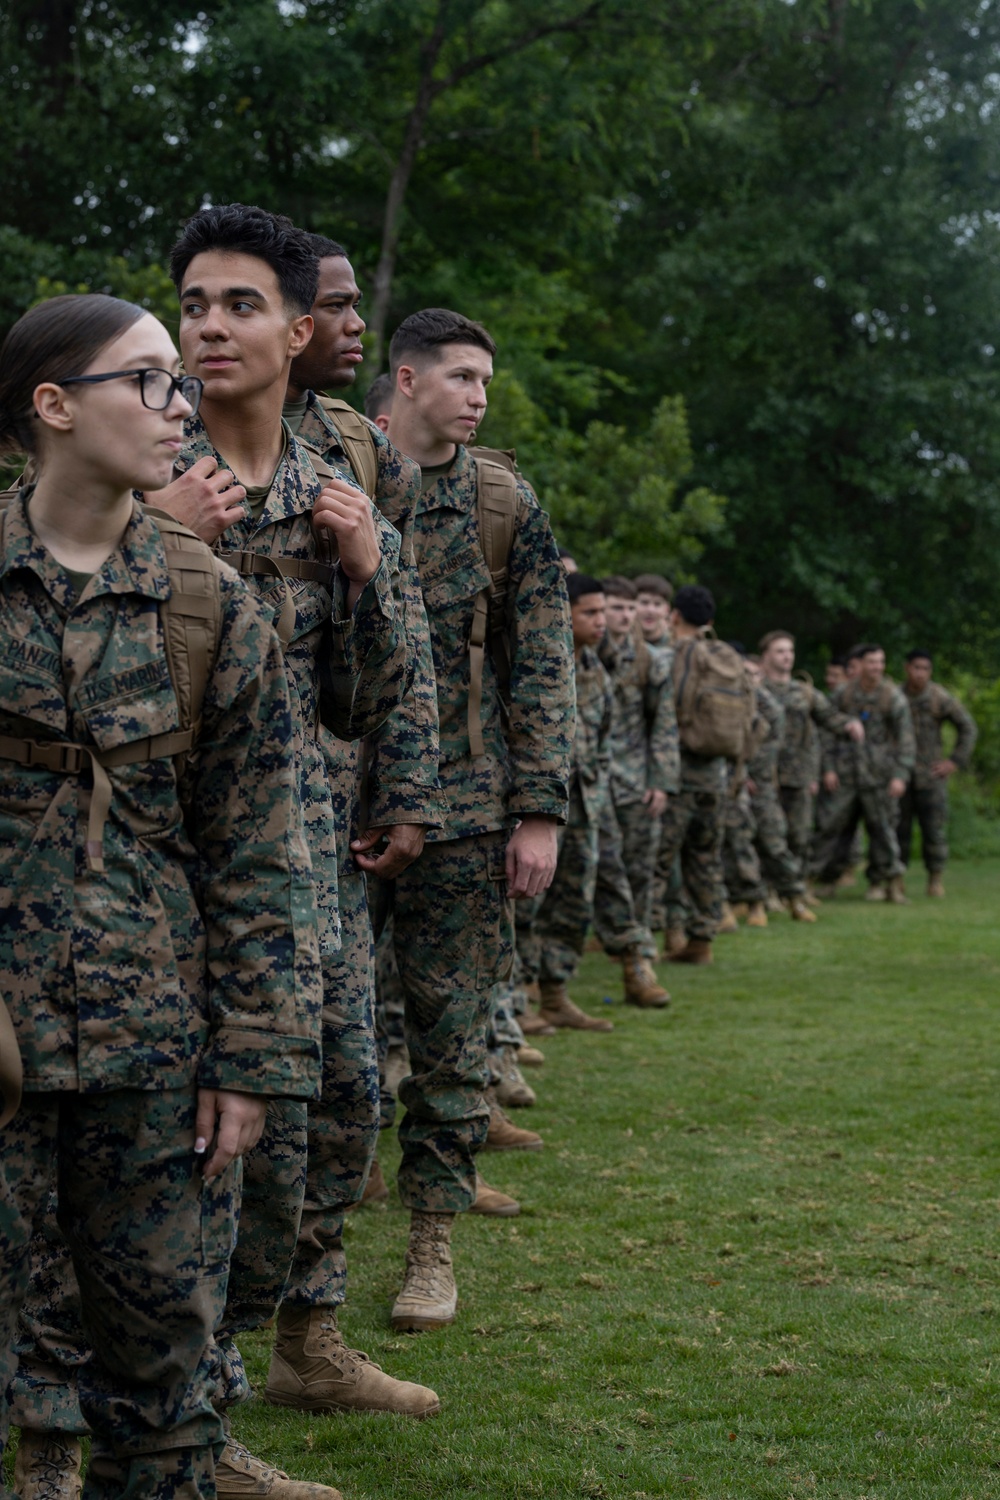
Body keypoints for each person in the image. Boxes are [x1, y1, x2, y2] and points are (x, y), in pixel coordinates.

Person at [0, 292, 323, 1500]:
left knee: (163, 1390)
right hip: (2, 1050)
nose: (178, 402)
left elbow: (259, 849)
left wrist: (251, 1057)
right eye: (146, 381)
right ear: (54, 407)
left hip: (159, 1063)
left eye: (174, 382)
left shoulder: (208, 604)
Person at [260, 233, 442, 1419]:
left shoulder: (350, 447)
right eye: (331, 306)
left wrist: (408, 782)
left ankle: (310, 1339)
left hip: (322, 813)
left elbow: (399, 616)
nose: (351, 323)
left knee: (343, 1093)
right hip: (205, 832)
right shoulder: (160, 433)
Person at [380, 307, 574, 1330]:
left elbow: (542, 663)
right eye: (459, 377)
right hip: (329, 805)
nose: (477, 397)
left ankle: (430, 1244)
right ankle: (298, 1262)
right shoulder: (330, 475)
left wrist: (537, 810)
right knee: (318, 1041)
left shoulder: (503, 502)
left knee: (452, 1038)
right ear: (404, 379)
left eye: (485, 383)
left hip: (464, 808)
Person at [531, 574, 619, 1029]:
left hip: (585, 803)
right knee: (528, 904)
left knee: (574, 901)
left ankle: (555, 993)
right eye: (591, 612)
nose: (601, 621)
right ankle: (514, 1002)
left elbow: (605, 741)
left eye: (603, 612)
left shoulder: (596, 671)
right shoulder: (541, 660)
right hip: (543, 804)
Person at [592, 576, 676, 1005]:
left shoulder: (651, 661)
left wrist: (661, 782)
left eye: (630, 608)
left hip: (636, 784)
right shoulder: (583, 652)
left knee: (639, 877)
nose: (625, 616)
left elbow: (663, 726)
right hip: (590, 784)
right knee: (596, 876)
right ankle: (546, 979)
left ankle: (640, 962)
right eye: (617, 607)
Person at [653, 585, 730, 965]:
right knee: (705, 859)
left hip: (677, 775)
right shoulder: (724, 658)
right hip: (715, 776)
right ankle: (702, 939)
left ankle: (646, 941)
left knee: (659, 859)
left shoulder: (669, 657)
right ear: (710, 622)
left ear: (675, 616)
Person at [812, 644, 916, 903]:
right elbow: (825, 731)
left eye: (881, 662)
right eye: (871, 662)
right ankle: (820, 878)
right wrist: (828, 768)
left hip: (878, 775)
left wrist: (900, 775)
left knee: (882, 829)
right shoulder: (843, 694)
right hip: (845, 774)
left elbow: (906, 739)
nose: (877, 667)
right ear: (859, 665)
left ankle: (885, 882)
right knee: (830, 826)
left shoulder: (892, 697)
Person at [758, 631, 863, 870]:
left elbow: (829, 717)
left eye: (790, 651)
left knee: (799, 835)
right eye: (780, 651)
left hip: (797, 775)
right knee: (767, 834)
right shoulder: (756, 691)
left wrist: (849, 724)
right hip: (765, 775)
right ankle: (768, 889)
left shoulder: (804, 692)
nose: (787, 657)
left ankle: (795, 887)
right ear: (766, 656)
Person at [899, 649, 977, 897]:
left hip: (930, 776)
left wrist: (954, 761)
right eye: (916, 668)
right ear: (907, 668)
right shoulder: (896, 696)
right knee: (898, 830)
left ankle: (935, 879)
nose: (920, 673)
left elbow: (968, 727)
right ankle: (896, 878)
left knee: (934, 830)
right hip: (900, 775)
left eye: (925, 669)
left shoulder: (939, 697)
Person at [633, 572, 672, 647]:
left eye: (657, 604)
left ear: (667, 609)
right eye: (644, 602)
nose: (650, 610)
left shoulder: (678, 647)